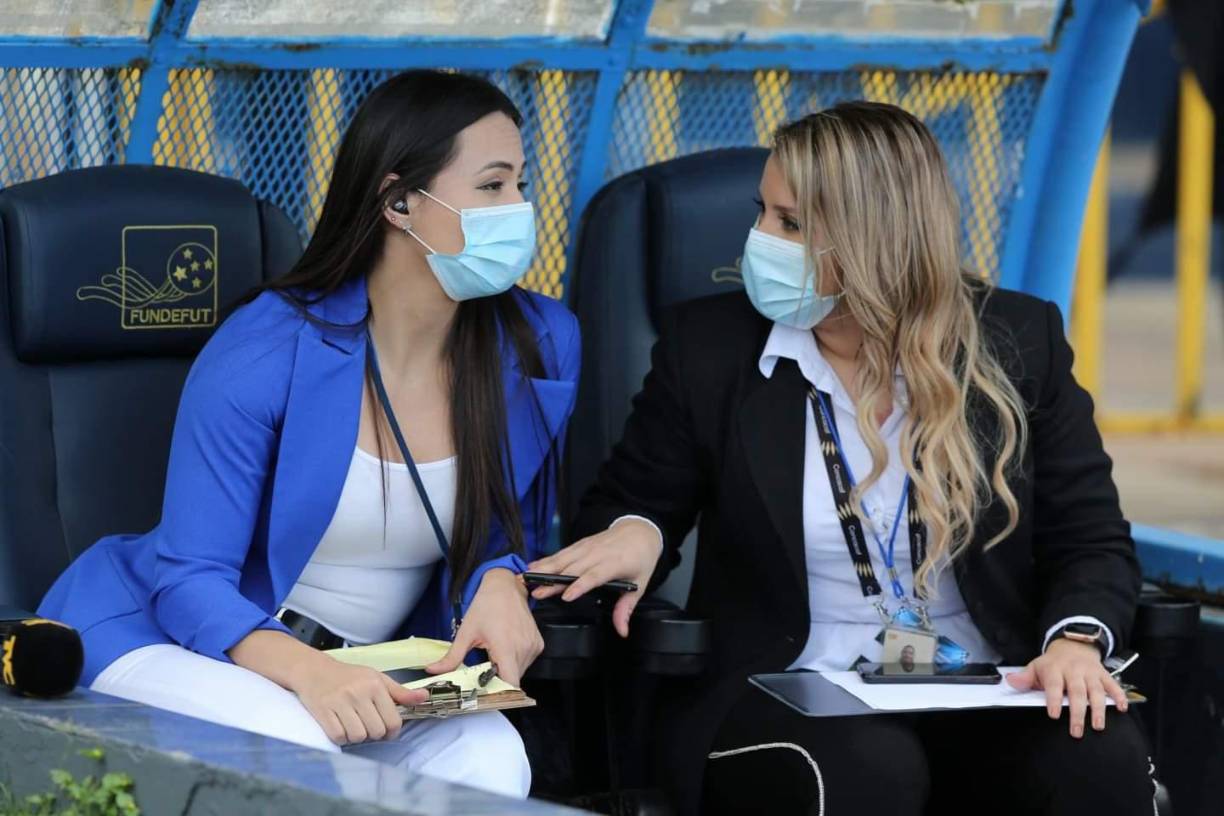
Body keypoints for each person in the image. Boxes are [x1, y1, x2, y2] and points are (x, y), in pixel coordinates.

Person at [531, 102, 1154, 815]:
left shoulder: (1018, 341)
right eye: (762, 212)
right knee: (871, 770)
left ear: (875, 239)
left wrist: (1075, 641)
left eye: (791, 223)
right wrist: (637, 532)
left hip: (984, 682)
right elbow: (631, 502)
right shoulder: (710, 348)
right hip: (786, 684)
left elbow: (1091, 539)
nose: (759, 240)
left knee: (1095, 758)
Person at [38, 70, 581, 799]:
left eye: (521, 183)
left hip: (376, 667)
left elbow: (505, 535)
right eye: (492, 185)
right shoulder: (265, 348)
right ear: (399, 202)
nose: (519, 208)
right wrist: (311, 673)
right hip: (179, 640)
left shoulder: (538, 342)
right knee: (294, 748)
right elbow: (189, 580)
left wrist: (503, 581)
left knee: (489, 757)